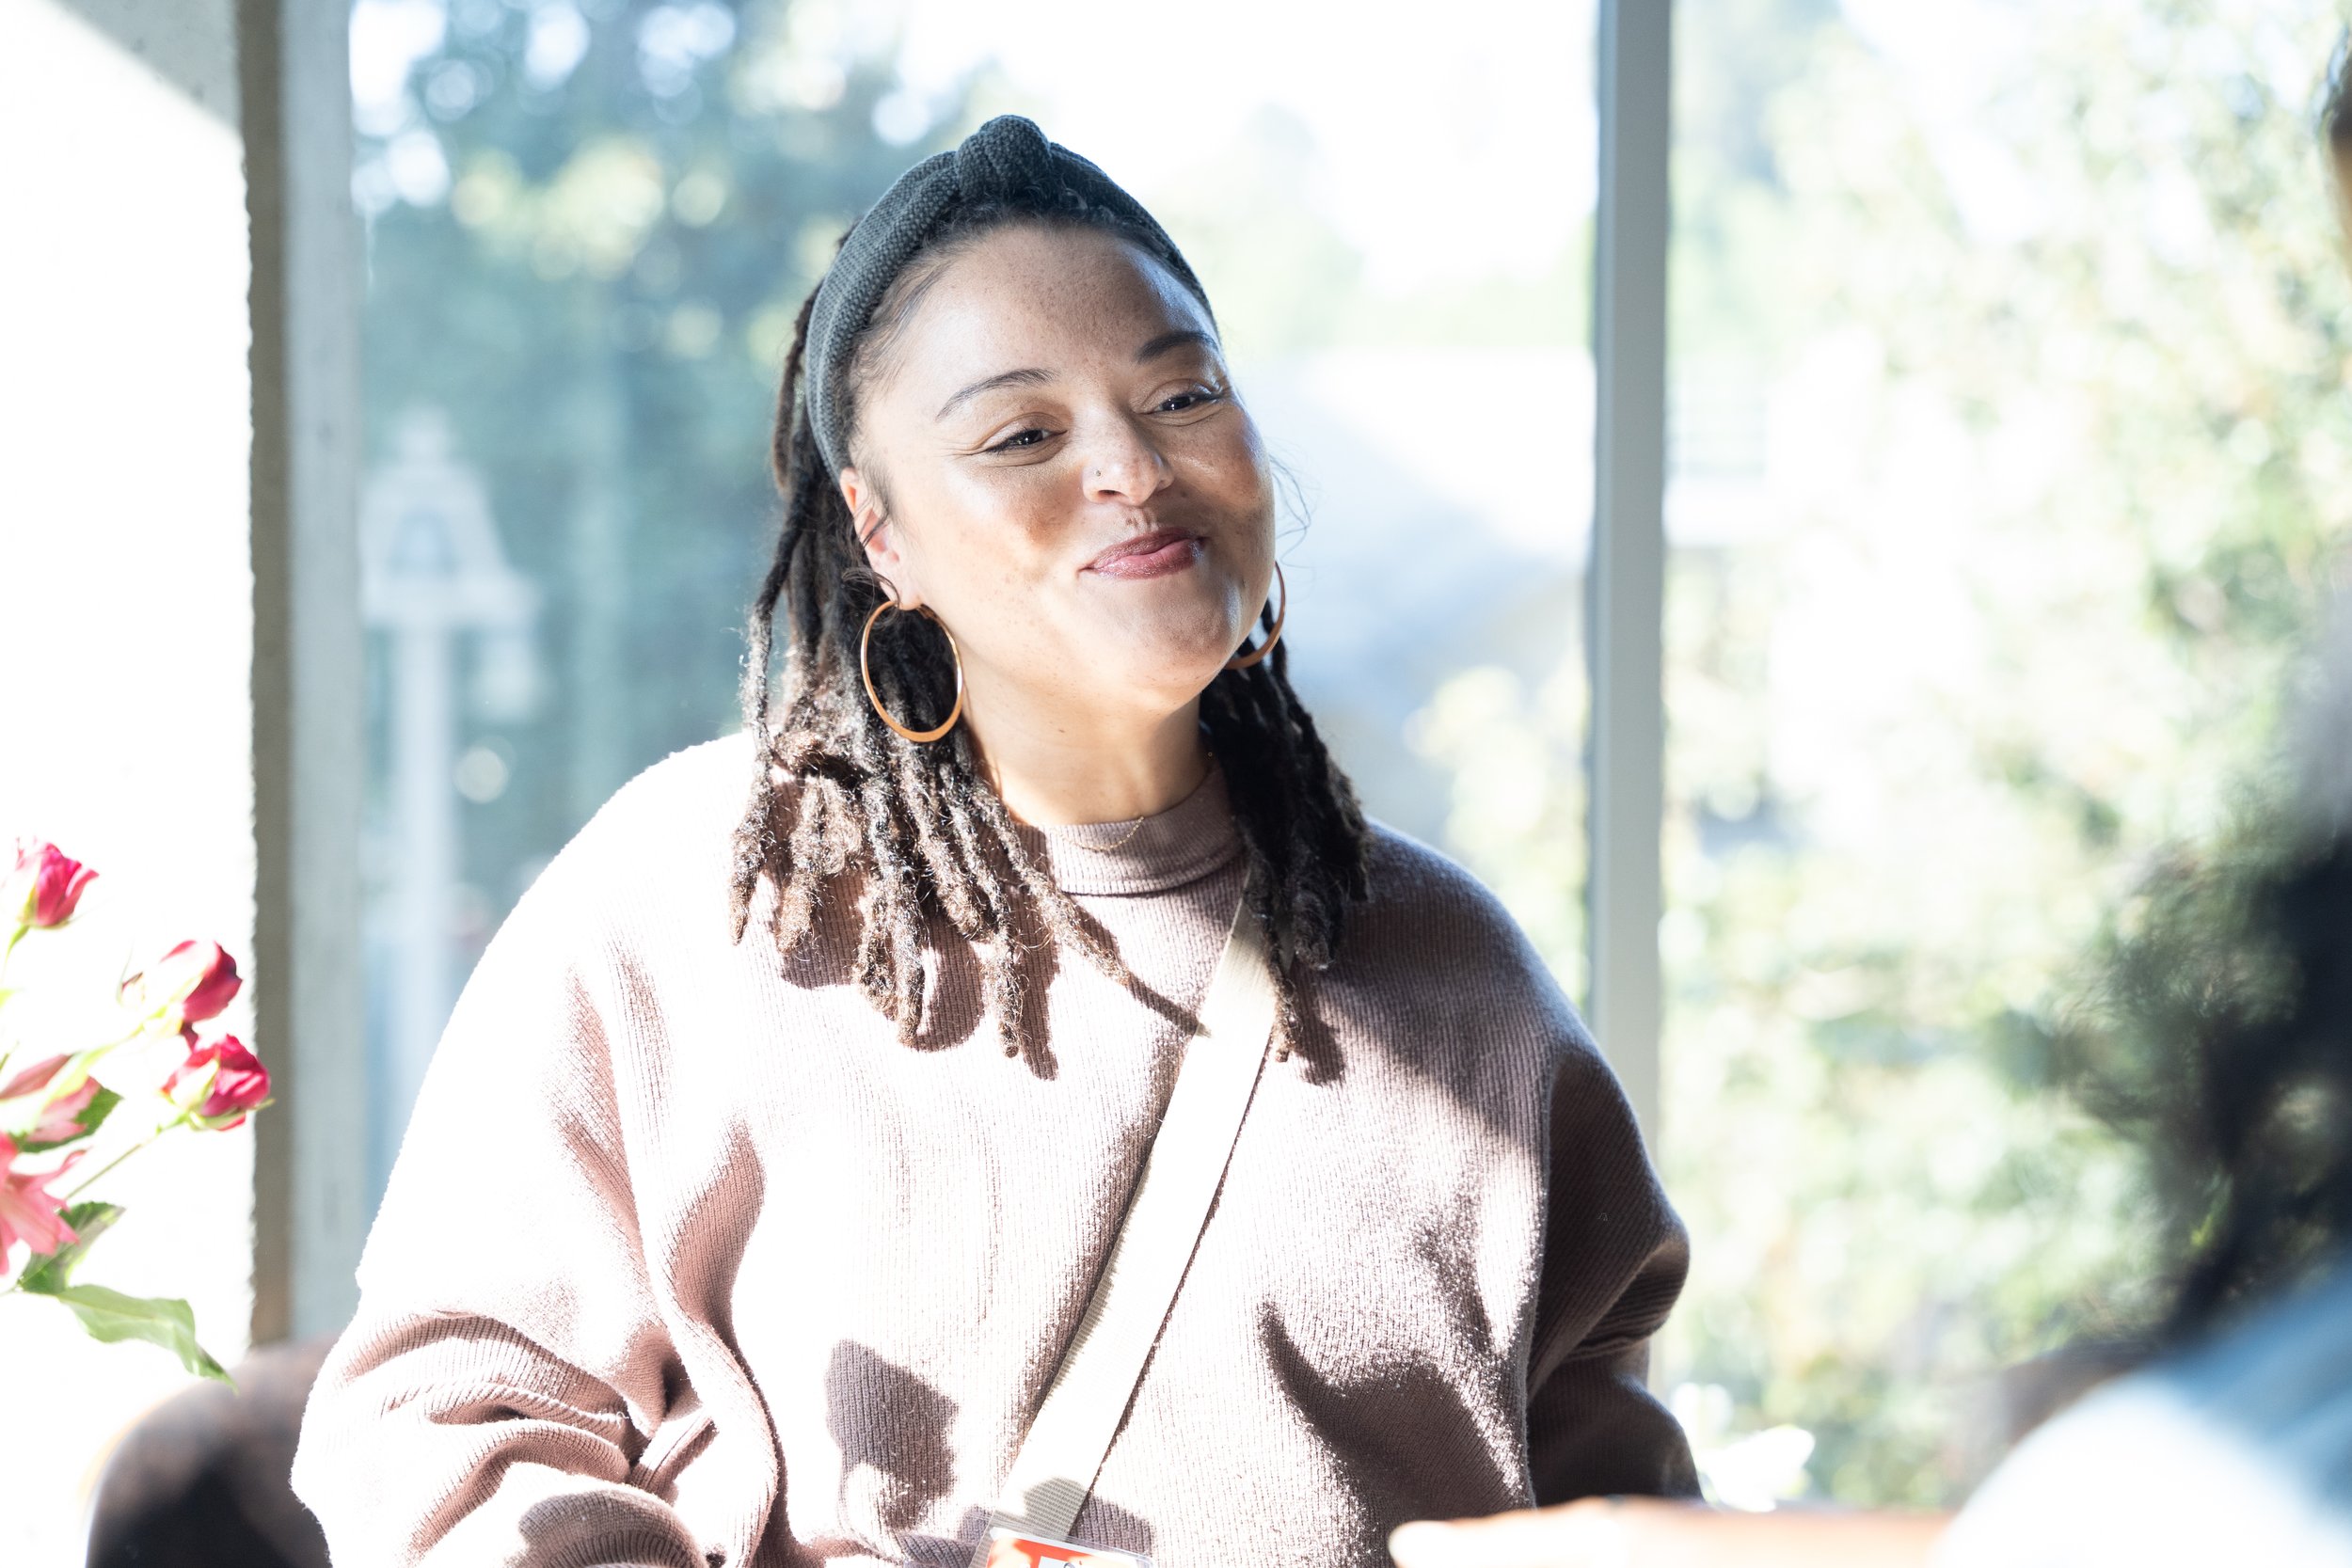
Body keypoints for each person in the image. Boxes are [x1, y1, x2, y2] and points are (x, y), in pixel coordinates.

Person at [291, 116, 1697, 1568]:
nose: (1133, 470)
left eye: (1182, 395)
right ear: (878, 529)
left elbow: (1619, 1514)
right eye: (1024, 433)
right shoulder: (704, 893)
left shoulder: (1464, 985)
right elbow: (441, 1413)